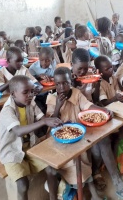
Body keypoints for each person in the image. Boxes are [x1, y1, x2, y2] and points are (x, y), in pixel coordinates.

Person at [46, 67, 112, 200]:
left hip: (77, 135)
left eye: (65, 82)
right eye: (58, 84)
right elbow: (51, 121)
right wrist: (58, 105)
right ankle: (85, 190)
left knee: (83, 157)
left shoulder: (76, 93)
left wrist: (103, 109)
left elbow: (87, 105)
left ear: (70, 81)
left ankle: (91, 192)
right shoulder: (52, 98)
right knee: (74, 163)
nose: (61, 87)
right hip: (59, 138)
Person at [0, 75, 61, 199]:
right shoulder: (7, 110)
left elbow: (43, 119)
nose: (31, 95)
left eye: (32, 91)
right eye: (25, 92)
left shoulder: (30, 103)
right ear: (13, 94)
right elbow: (18, 131)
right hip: (12, 151)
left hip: (31, 145)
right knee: (22, 185)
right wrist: (44, 122)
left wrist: (56, 122)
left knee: (52, 170)